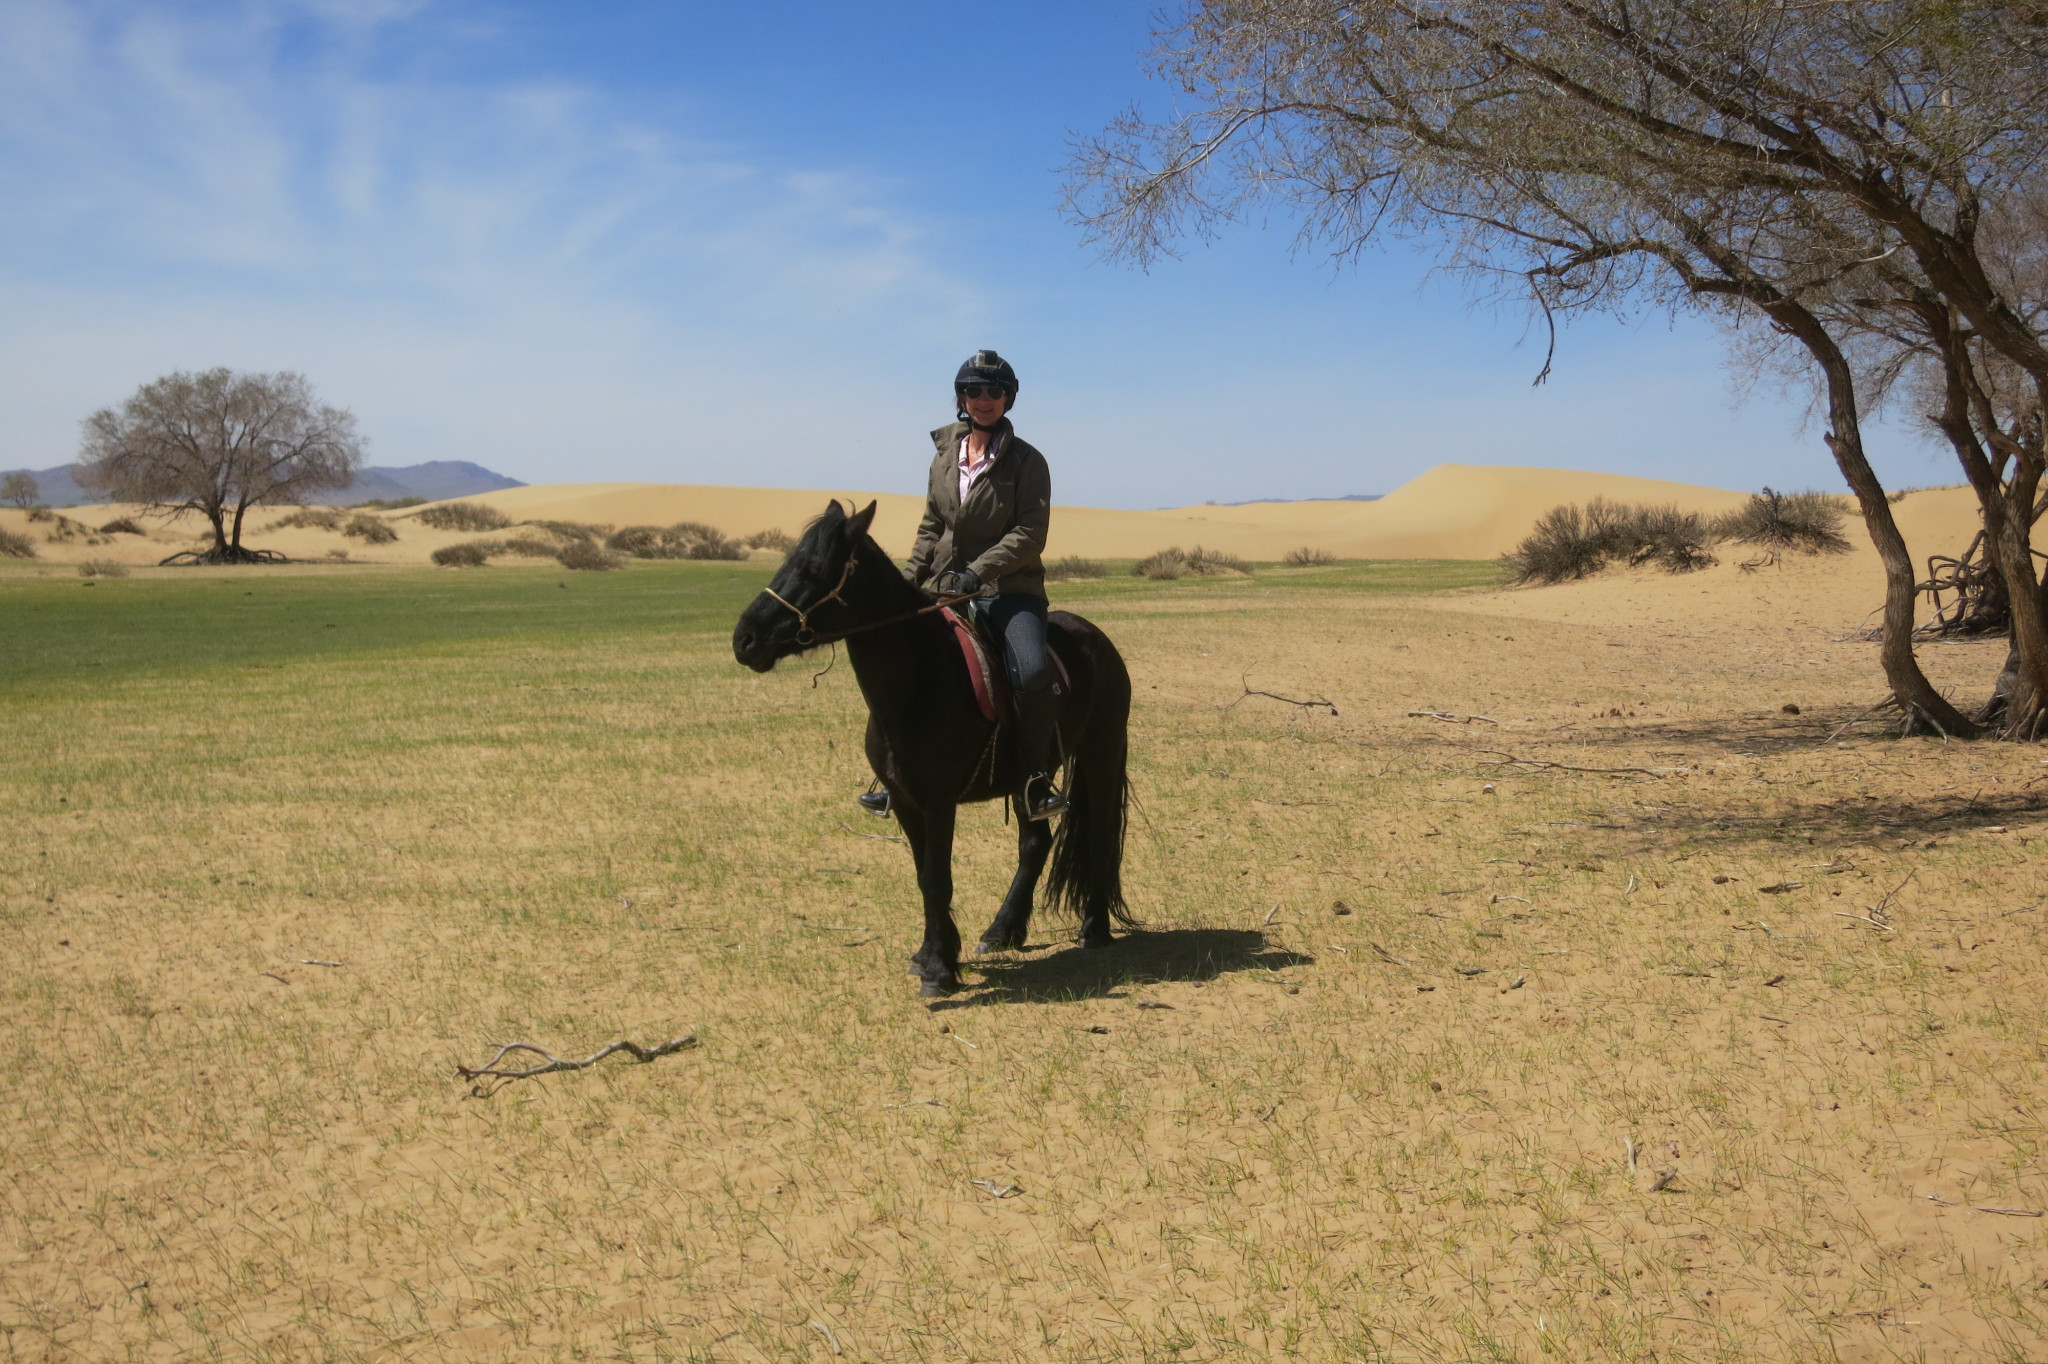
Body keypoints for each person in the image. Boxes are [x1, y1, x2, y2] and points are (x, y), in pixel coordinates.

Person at [863, 350, 1066, 821]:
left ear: (1009, 398)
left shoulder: (1027, 462)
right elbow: (932, 526)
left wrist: (979, 573)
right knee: (898, 663)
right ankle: (893, 773)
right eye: (973, 390)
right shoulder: (943, 457)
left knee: (1031, 671)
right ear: (961, 397)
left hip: (1008, 591)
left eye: (994, 391)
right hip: (942, 586)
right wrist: (908, 581)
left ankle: (1036, 780)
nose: (983, 399)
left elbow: (1029, 534)